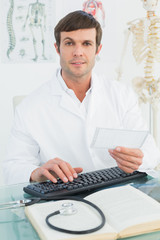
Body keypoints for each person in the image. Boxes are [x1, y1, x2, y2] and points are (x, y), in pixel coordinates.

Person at [3, 10, 160, 185]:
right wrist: (35, 172)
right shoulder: (29, 107)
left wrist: (139, 159)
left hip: (119, 190)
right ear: (57, 48)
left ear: (97, 49)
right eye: (69, 43)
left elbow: (149, 149)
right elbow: (13, 167)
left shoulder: (122, 95)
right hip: (63, 197)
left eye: (86, 43)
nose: (78, 52)